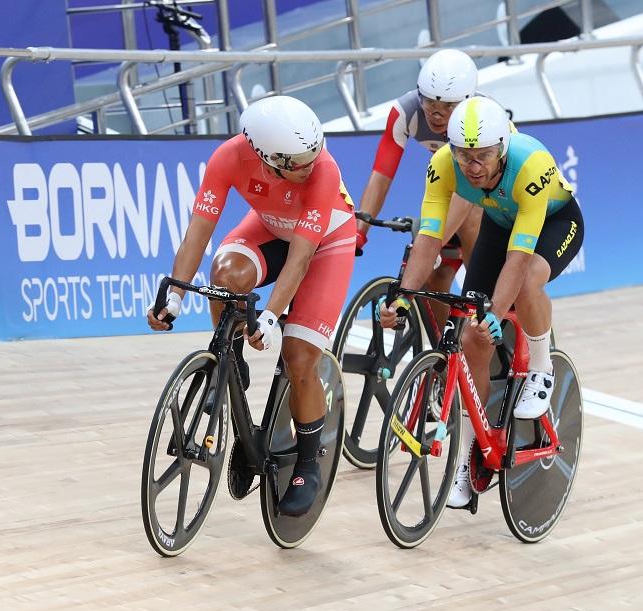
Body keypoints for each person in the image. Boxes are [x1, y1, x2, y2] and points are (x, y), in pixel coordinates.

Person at [146, 95, 357, 517]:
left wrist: (272, 317)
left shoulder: (323, 169)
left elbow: (300, 260)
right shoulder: (228, 157)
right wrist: (174, 295)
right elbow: (198, 235)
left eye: (311, 157)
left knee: (299, 358)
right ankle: (231, 358)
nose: (308, 167)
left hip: (325, 243)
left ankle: (308, 460)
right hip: (270, 227)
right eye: (297, 163)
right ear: (264, 155)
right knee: (225, 274)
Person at [377, 96, 584, 508]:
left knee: (524, 285)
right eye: (464, 156)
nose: (473, 166)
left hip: (553, 224)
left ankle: (541, 368)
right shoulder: (443, 168)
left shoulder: (529, 164)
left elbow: (519, 258)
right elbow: (429, 240)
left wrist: (493, 314)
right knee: (472, 338)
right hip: (499, 223)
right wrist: (402, 298)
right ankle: (468, 458)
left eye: (483, 156)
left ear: (502, 150)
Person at [357, 48, 483, 325]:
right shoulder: (406, 111)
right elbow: (381, 175)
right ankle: (444, 354)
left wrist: (428, 245)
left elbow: (468, 195)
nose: (437, 115)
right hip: (451, 188)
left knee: (471, 216)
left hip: (488, 197)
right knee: (431, 277)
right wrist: (360, 231)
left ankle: (481, 295)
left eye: (448, 107)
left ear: (465, 102)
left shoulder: (482, 117)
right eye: (429, 104)